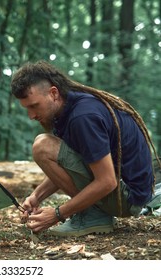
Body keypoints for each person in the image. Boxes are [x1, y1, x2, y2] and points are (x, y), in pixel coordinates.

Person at [11, 60, 160, 237]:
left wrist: (58, 214)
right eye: (27, 108)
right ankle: (94, 212)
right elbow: (74, 166)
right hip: (125, 192)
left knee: (43, 146)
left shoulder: (83, 117)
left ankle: (92, 215)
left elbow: (107, 181)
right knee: (45, 147)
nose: (31, 115)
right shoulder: (68, 108)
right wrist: (37, 196)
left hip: (128, 198)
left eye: (34, 106)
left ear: (53, 93)